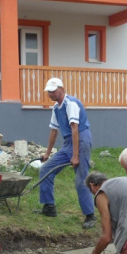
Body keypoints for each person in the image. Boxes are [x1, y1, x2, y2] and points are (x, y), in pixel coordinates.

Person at [36, 77, 96, 229]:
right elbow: (53, 131)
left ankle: (90, 215)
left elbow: (75, 129)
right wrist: (47, 153)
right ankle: (49, 207)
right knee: (45, 169)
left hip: (81, 140)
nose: (50, 94)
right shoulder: (56, 108)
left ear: (62, 89)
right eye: (49, 91)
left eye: (53, 91)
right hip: (69, 142)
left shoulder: (71, 104)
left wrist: (75, 155)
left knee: (81, 179)